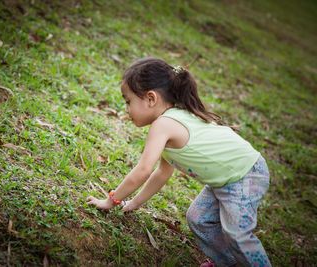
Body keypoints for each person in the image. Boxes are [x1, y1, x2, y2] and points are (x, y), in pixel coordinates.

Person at [86, 57, 271, 267]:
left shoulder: (164, 124)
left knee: (237, 232)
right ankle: (228, 262)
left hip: (246, 174)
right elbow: (162, 173)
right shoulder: (171, 119)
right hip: (226, 179)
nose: (127, 109)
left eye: (128, 101)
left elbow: (143, 170)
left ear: (150, 98)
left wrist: (111, 201)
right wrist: (133, 204)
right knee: (198, 219)